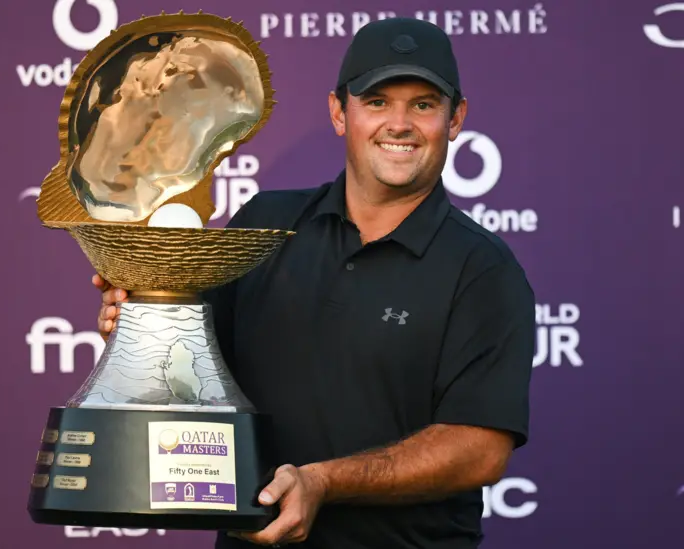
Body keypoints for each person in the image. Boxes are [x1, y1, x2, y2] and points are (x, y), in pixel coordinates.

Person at [92, 17, 535, 549]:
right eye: (376, 101)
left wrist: (322, 481)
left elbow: (480, 448)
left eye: (423, 104)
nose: (399, 123)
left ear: (455, 118)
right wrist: (147, 320)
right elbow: (192, 373)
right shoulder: (263, 225)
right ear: (338, 113)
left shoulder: (483, 269)